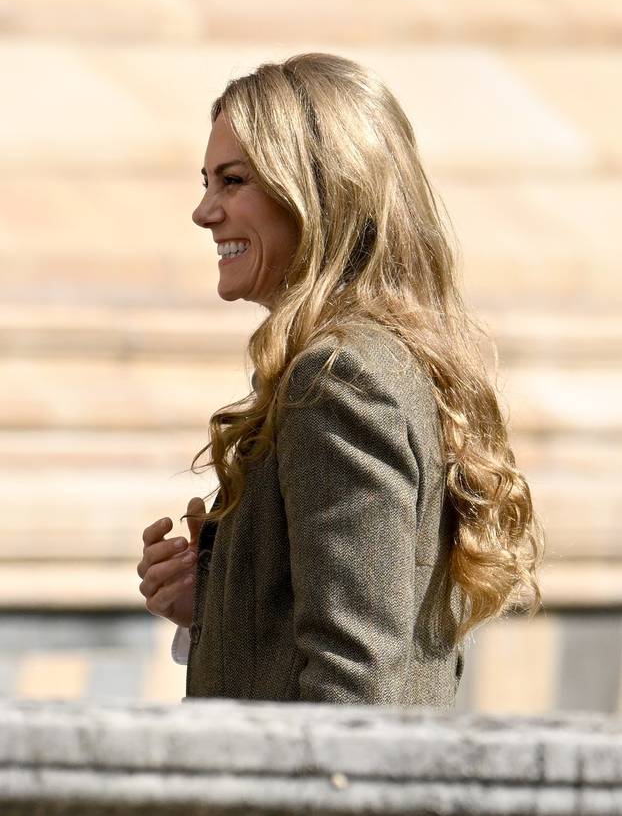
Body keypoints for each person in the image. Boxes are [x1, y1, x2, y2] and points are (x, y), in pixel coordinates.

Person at [136, 52, 545, 706]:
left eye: (232, 181)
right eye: (207, 181)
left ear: (317, 190)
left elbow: (356, 690)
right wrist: (213, 598)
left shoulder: (340, 379)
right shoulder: (357, 363)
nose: (203, 212)